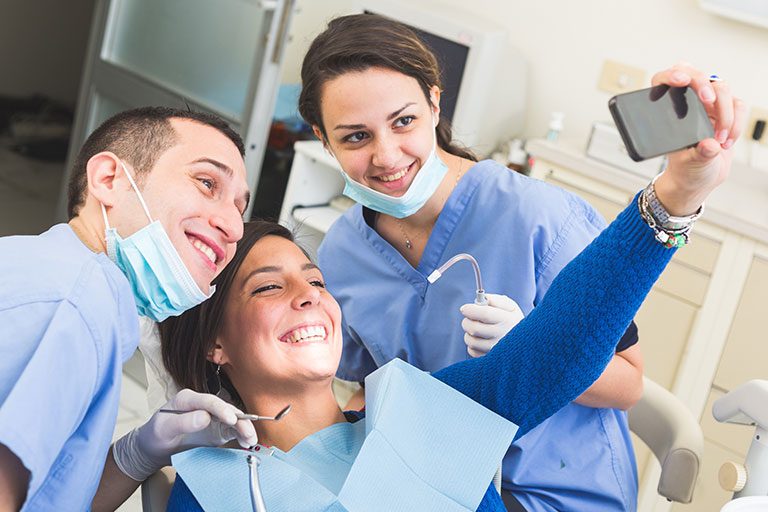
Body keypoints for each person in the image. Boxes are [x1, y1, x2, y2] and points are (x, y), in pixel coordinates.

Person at [157, 91, 741, 507]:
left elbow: (561, 348)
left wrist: (676, 195)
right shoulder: (211, 487)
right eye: (268, 287)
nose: (310, 298)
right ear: (214, 342)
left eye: (316, 282)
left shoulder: (418, 412)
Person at [297, 15, 741, 510]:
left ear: (434, 103)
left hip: (551, 492)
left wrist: (533, 345)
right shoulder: (341, 252)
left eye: (404, 122)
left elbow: (630, 383)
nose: (386, 155)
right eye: (355, 137)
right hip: (434, 480)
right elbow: (363, 386)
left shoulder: (539, 216)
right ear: (323, 137)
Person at [0, 107, 260, 511]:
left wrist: (138, 453)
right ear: (108, 180)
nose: (235, 227)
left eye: (240, 209)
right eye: (207, 183)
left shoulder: (58, 276)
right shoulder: (73, 304)